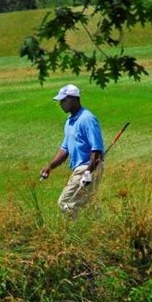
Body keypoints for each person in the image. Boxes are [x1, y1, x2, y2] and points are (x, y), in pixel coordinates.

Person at [40, 84, 104, 217]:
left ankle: (75, 231)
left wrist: (88, 172)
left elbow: (96, 149)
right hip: (81, 168)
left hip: (88, 166)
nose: (61, 104)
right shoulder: (70, 121)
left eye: (63, 100)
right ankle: (96, 228)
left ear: (74, 99)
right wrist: (50, 167)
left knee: (65, 202)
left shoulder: (87, 119)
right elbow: (65, 149)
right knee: (86, 205)